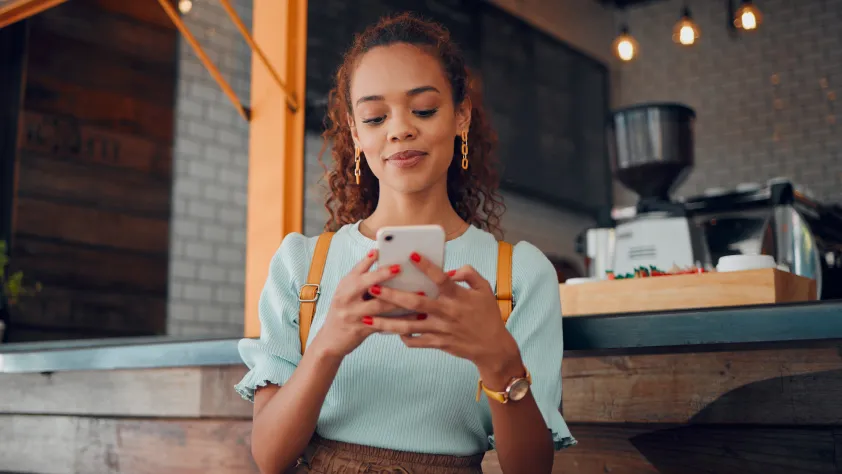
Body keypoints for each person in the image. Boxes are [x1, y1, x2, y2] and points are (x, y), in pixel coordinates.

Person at [235, 12, 575, 474]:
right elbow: (269, 456)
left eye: (424, 109)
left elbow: (531, 470)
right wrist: (327, 344)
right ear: (356, 134)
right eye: (375, 117)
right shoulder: (301, 266)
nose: (399, 130)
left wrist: (499, 360)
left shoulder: (518, 276)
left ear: (461, 116)